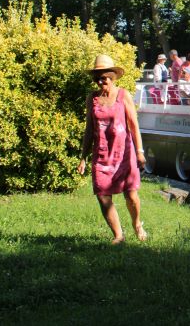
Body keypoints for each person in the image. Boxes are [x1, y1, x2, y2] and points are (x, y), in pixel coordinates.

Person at [78, 54, 147, 244]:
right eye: (97, 79)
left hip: (124, 153)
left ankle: (137, 224)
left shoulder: (123, 96)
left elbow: (134, 126)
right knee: (102, 195)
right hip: (101, 155)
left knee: (131, 195)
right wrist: (83, 157)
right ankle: (118, 235)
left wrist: (140, 153)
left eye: (104, 78)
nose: (101, 82)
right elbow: (89, 129)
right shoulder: (91, 98)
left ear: (113, 77)